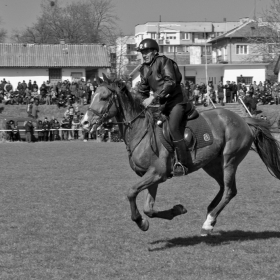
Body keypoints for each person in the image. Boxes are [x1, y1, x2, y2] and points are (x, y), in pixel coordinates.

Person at [136, 38, 197, 176]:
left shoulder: (164, 61)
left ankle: (182, 163)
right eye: (142, 52)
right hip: (162, 104)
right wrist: (136, 100)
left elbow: (170, 82)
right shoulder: (144, 69)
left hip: (177, 102)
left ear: (155, 52)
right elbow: (143, 90)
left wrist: (153, 97)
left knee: (173, 127)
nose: (144, 55)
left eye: (146, 52)